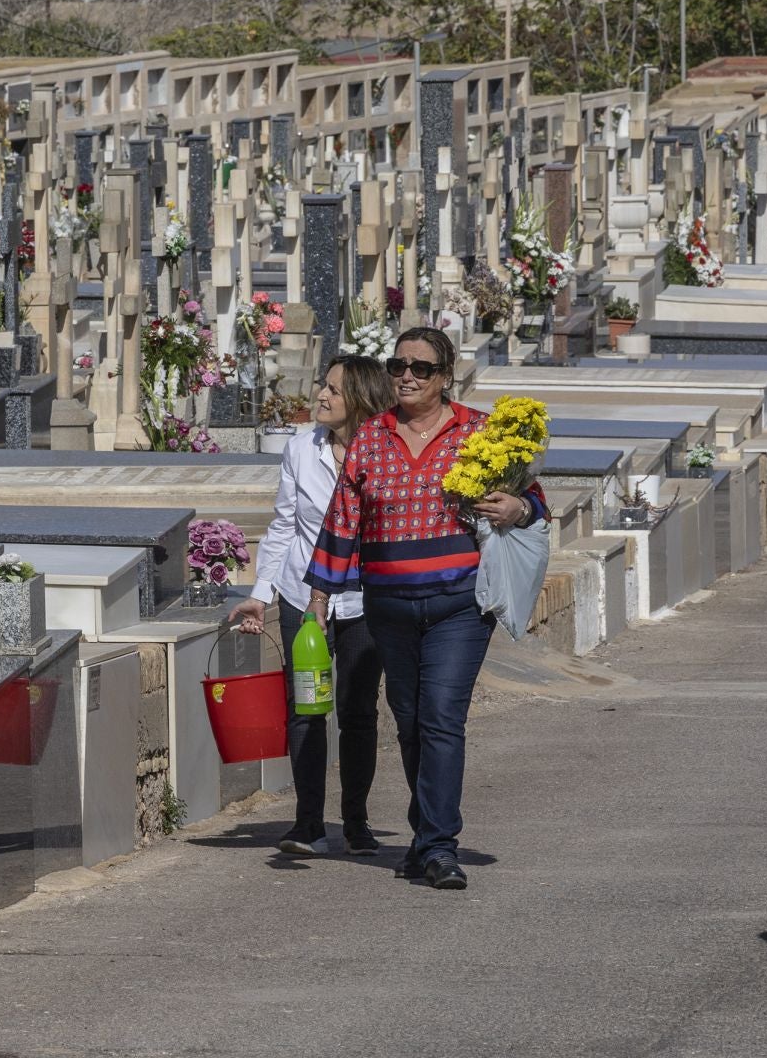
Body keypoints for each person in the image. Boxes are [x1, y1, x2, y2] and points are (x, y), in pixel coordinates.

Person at [304, 326, 545, 891]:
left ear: (446, 376)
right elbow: (344, 518)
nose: (407, 376)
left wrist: (517, 506)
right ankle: (424, 834)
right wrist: (320, 592)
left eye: (421, 368)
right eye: (398, 366)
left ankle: (439, 845)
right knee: (410, 723)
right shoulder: (371, 438)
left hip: (459, 602)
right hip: (388, 604)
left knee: (441, 717)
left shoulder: (481, 432)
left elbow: (535, 500)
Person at [233, 356, 395, 857]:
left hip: (364, 599)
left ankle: (356, 820)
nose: (321, 396)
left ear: (361, 401)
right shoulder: (301, 449)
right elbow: (284, 525)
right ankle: (307, 823)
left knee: (357, 711)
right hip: (303, 597)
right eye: (323, 385)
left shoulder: (384, 452)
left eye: (333, 390)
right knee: (305, 708)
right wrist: (261, 594)